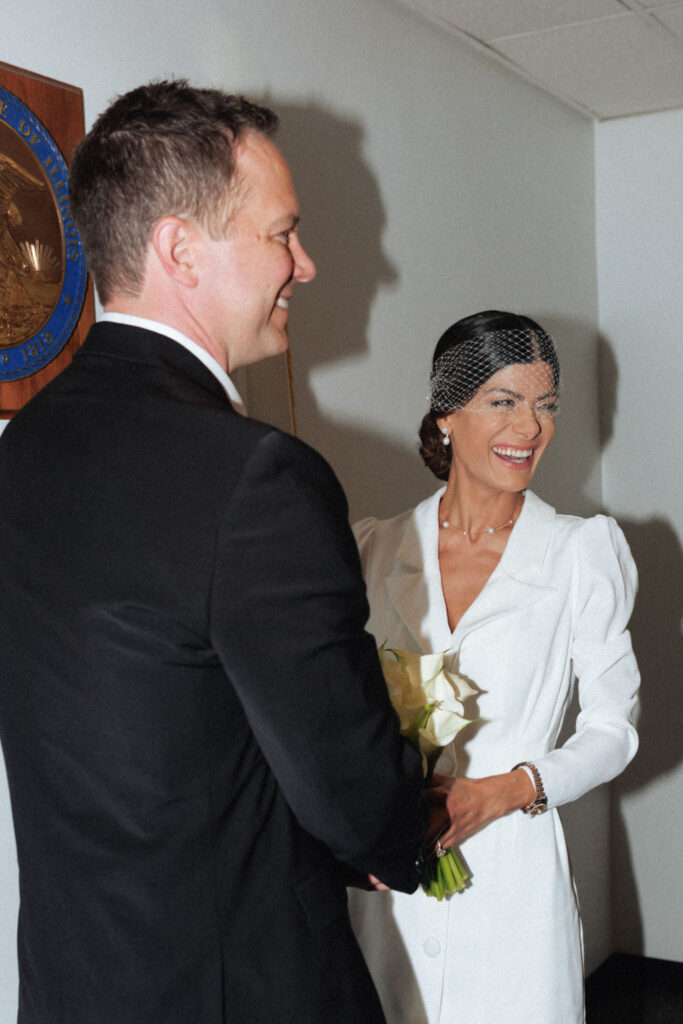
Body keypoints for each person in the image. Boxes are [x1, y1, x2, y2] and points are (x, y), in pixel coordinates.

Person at [0, 80, 437, 1024]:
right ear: (179, 251)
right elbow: (351, 790)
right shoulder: (256, 477)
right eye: (282, 233)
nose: (307, 265)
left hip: (76, 988)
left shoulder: (20, 452)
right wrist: (411, 823)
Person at [348, 310, 640, 1024]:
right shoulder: (371, 549)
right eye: (503, 402)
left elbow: (612, 731)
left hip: (514, 881)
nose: (530, 428)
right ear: (446, 414)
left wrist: (506, 791)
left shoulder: (581, 554)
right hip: (390, 887)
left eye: (545, 405)